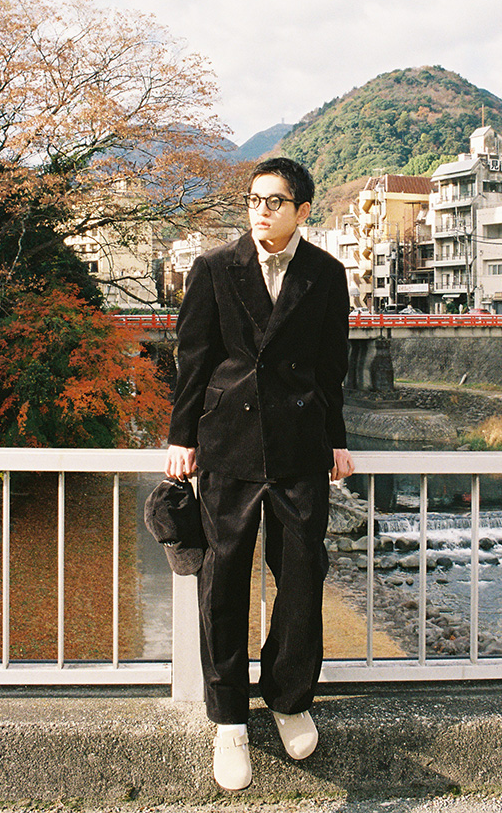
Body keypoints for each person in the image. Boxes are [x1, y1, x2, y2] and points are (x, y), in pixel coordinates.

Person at [165, 157, 354, 792]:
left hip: (300, 447)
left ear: (303, 210)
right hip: (228, 444)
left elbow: (331, 366)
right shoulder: (215, 267)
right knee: (222, 580)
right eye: (254, 200)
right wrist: (181, 437)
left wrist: (337, 441)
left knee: (301, 575)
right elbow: (194, 358)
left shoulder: (326, 273)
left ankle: (289, 698)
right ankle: (229, 719)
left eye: (275, 201)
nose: (262, 210)